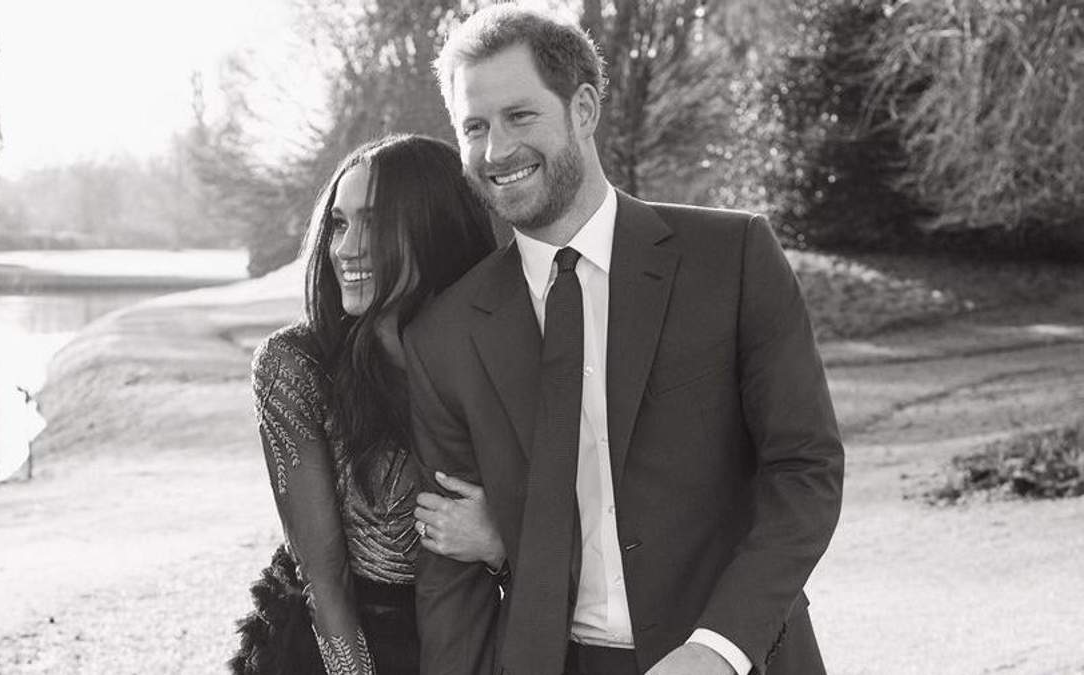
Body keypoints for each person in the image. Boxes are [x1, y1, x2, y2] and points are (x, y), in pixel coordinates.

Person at [404, 6, 845, 675]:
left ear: (583, 109)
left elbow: (805, 469)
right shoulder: (445, 335)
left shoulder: (731, 257)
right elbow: (450, 578)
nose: (496, 150)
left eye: (519, 116)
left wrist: (719, 646)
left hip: (739, 655)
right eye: (475, 127)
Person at [230, 134, 504, 675]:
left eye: (374, 224)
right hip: (333, 644)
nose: (345, 248)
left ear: (436, 230)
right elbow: (324, 582)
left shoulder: (498, 358)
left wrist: (498, 547)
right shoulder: (296, 366)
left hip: (465, 635)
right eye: (338, 224)